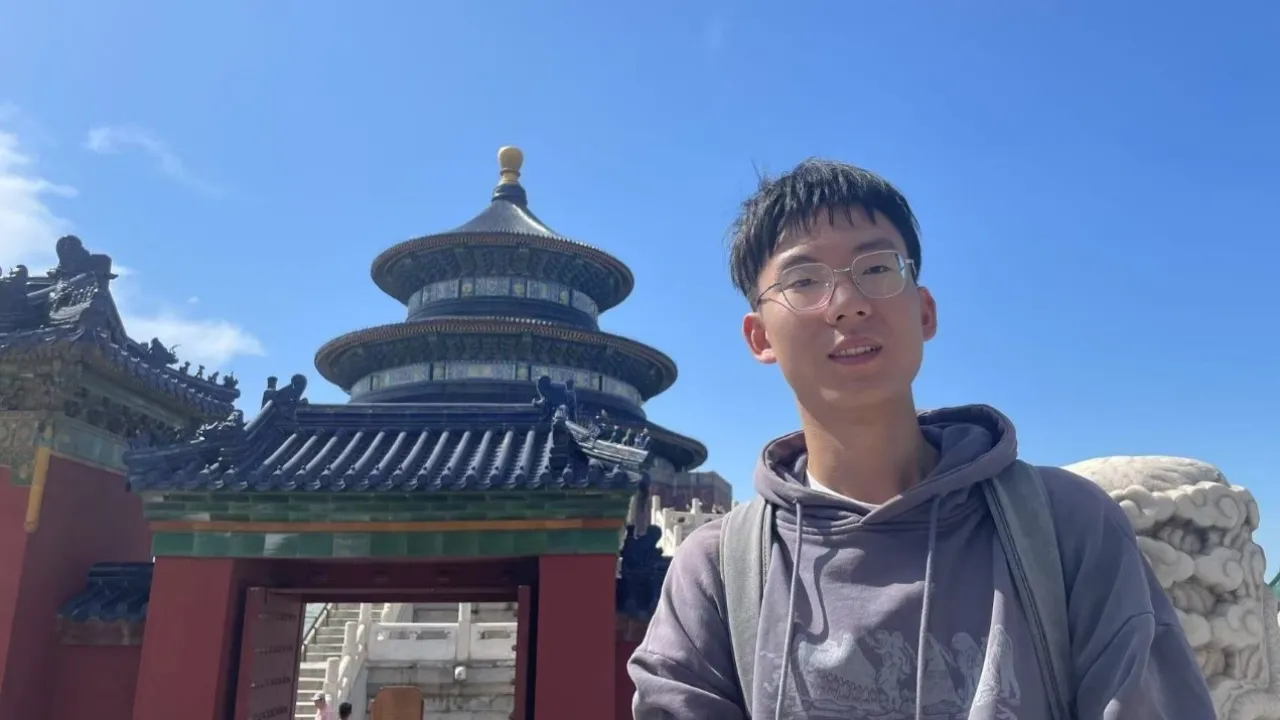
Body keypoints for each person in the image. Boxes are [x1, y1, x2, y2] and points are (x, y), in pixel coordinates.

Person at [628, 159, 1215, 719]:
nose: (848, 305)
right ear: (760, 337)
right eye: (804, 280)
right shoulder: (717, 573)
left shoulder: (1067, 526)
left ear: (925, 311)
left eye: (877, 269)